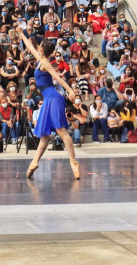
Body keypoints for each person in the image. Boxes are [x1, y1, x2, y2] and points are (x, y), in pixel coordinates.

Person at [18, 30, 81, 180]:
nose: (37, 47)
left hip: (53, 97)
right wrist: (21, 34)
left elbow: (57, 78)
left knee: (61, 131)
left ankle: (74, 162)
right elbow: (29, 45)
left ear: (41, 49)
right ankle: (34, 162)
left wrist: (70, 90)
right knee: (45, 135)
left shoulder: (45, 63)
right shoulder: (40, 58)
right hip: (48, 98)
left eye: (39, 46)